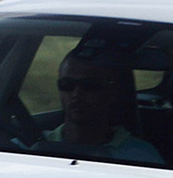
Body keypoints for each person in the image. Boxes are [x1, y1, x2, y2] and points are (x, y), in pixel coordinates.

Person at [35, 49, 163, 164]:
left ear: (112, 92)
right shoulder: (34, 145)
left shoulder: (141, 156)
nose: (76, 94)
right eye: (67, 84)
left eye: (89, 85)